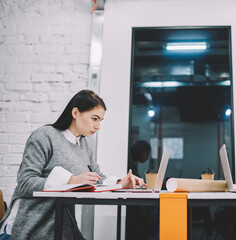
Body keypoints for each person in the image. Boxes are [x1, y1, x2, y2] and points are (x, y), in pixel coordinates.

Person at [0, 90, 145, 240]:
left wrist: (121, 183)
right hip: (29, 226)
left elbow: (97, 177)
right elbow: (25, 183)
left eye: (100, 120)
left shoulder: (84, 145)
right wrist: (71, 181)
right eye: (94, 118)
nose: (98, 126)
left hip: (61, 226)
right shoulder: (44, 136)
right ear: (75, 113)